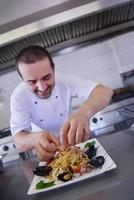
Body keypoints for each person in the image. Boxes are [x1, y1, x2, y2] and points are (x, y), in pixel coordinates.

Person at [10, 45, 113, 161]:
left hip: (74, 145)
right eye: (32, 82)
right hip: (45, 153)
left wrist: (83, 113)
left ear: (53, 68)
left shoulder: (64, 81)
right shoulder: (19, 96)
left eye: (46, 78)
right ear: (23, 79)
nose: (42, 88)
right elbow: (18, 141)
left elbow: (105, 91)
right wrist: (35, 139)